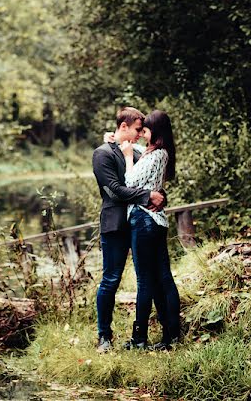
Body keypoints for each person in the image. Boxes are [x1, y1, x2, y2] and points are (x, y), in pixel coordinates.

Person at [92, 107, 164, 353]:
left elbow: (151, 175)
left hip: (139, 222)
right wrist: (147, 196)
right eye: (136, 129)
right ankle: (104, 336)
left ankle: (146, 335)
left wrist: (159, 194)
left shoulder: (135, 151)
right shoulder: (102, 154)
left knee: (147, 278)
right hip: (114, 225)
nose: (140, 134)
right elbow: (114, 190)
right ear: (123, 127)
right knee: (110, 279)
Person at [120, 109, 180, 350]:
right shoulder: (159, 153)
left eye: (146, 129)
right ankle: (171, 335)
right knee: (163, 278)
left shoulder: (155, 155)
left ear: (156, 131)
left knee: (146, 280)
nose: (143, 133)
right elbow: (141, 156)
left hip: (144, 220)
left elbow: (130, 181)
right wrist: (123, 145)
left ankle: (139, 338)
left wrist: (126, 158)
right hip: (155, 221)